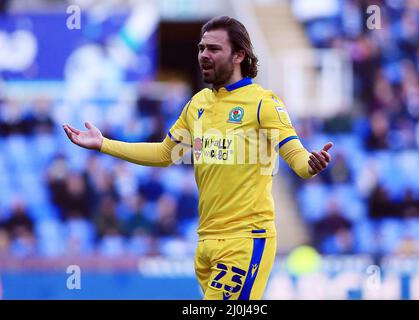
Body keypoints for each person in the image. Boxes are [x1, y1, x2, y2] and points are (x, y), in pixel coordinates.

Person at [63, 16, 332, 300]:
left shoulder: (263, 103)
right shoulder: (198, 105)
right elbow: (166, 153)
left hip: (244, 239)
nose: (204, 54)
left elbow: (297, 158)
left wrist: (310, 165)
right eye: (202, 48)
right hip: (205, 242)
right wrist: (105, 144)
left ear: (239, 55)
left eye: (214, 49)